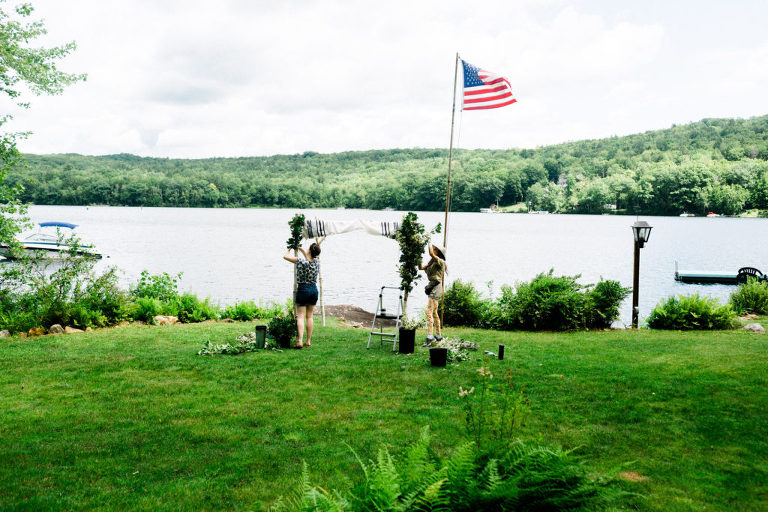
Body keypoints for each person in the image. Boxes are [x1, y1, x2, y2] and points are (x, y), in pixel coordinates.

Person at [283, 242, 321, 348]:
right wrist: (301, 249)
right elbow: (308, 258)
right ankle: (308, 341)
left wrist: (289, 248)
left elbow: (285, 256)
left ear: (309, 250)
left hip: (303, 289)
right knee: (309, 316)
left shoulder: (300, 261)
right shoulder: (317, 262)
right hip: (313, 289)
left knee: (300, 316)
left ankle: (299, 341)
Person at [419, 243, 446, 346]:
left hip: (436, 287)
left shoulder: (441, 262)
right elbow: (421, 267)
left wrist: (427, 241)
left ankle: (430, 337)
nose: (433, 250)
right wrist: (418, 258)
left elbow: (430, 253)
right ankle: (438, 335)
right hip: (432, 286)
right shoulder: (431, 264)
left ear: (437, 252)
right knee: (434, 312)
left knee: (428, 311)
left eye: (434, 249)